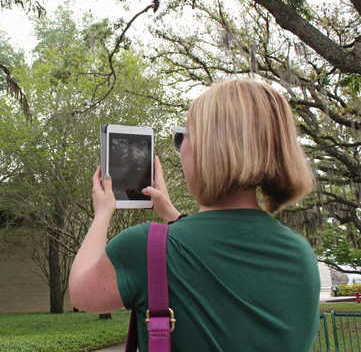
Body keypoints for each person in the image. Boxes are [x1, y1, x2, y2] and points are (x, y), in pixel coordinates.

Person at [69, 78, 320, 352]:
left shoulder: (145, 247)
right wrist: (173, 215)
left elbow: (81, 293)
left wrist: (103, 213)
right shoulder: (301, 253)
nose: (180, 149)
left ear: (206, 148)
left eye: (182, 136)